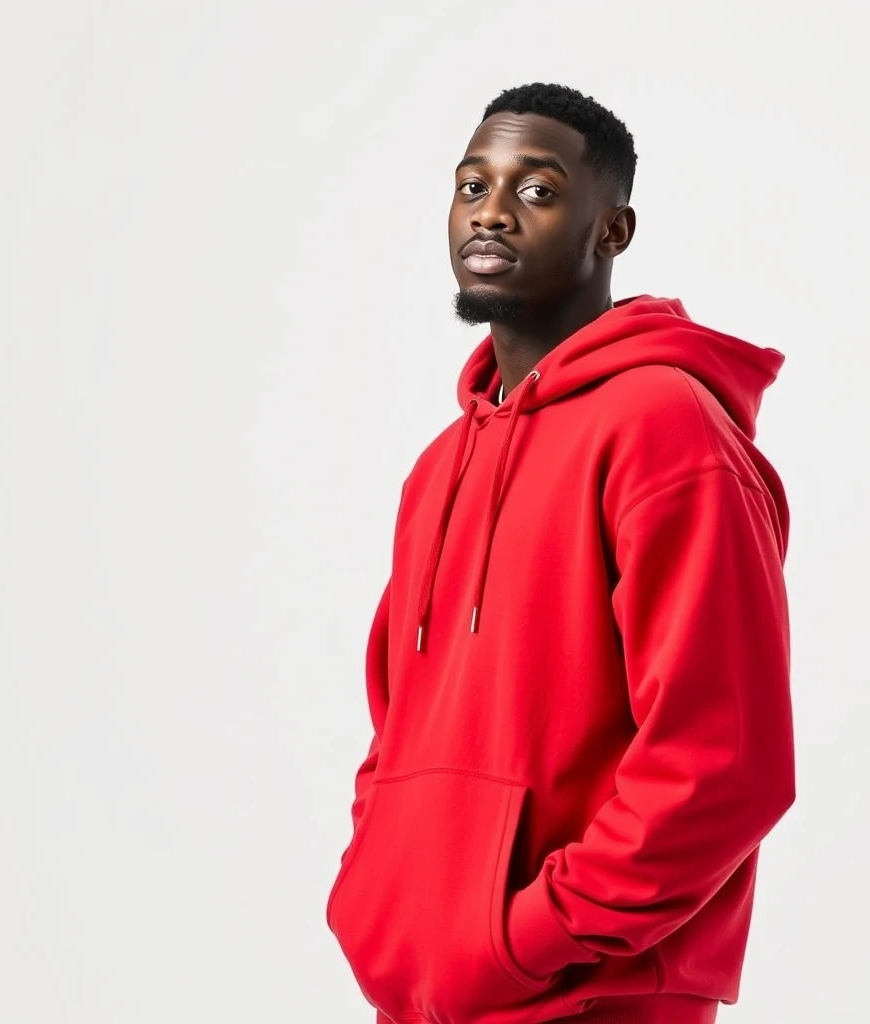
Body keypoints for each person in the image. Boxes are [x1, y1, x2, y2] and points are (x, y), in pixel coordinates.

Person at [325, 82, 795, 1024]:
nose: (491, 211)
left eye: (537, 190)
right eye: (472, 185)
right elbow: (396, 727)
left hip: (590, 1000)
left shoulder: (665, 430)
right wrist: (381, 909)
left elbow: (723, 765)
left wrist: (528, 937)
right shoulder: (438, 467)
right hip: (424, 998)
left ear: (612, 230)